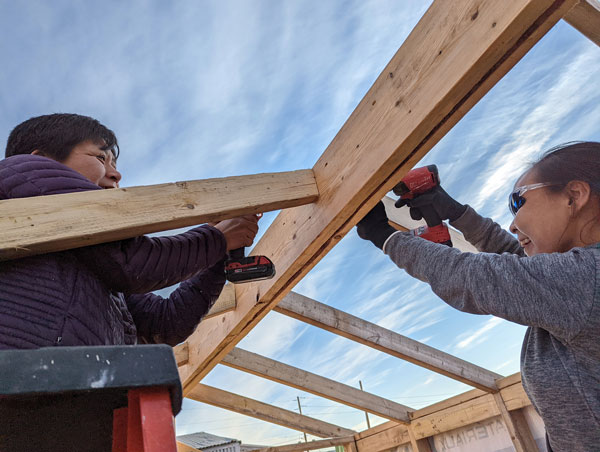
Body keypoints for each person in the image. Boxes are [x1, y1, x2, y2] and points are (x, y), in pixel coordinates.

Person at [356, 141, 600, 452]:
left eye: (518, 202)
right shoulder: (577, 281)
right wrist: (456, 213)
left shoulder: (588, 279)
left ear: (573, 195)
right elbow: (518, 262)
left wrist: (384, 235)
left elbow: (473, 277)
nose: (512, 223)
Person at [0, 113, 260, 349]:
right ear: (43, 158)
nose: (116, 175)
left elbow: (166, 323)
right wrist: (218, 238)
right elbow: (132, 260)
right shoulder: (21, 169)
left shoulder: (96, 266)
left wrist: (219, 252)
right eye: (101, 158)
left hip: (68, 385)